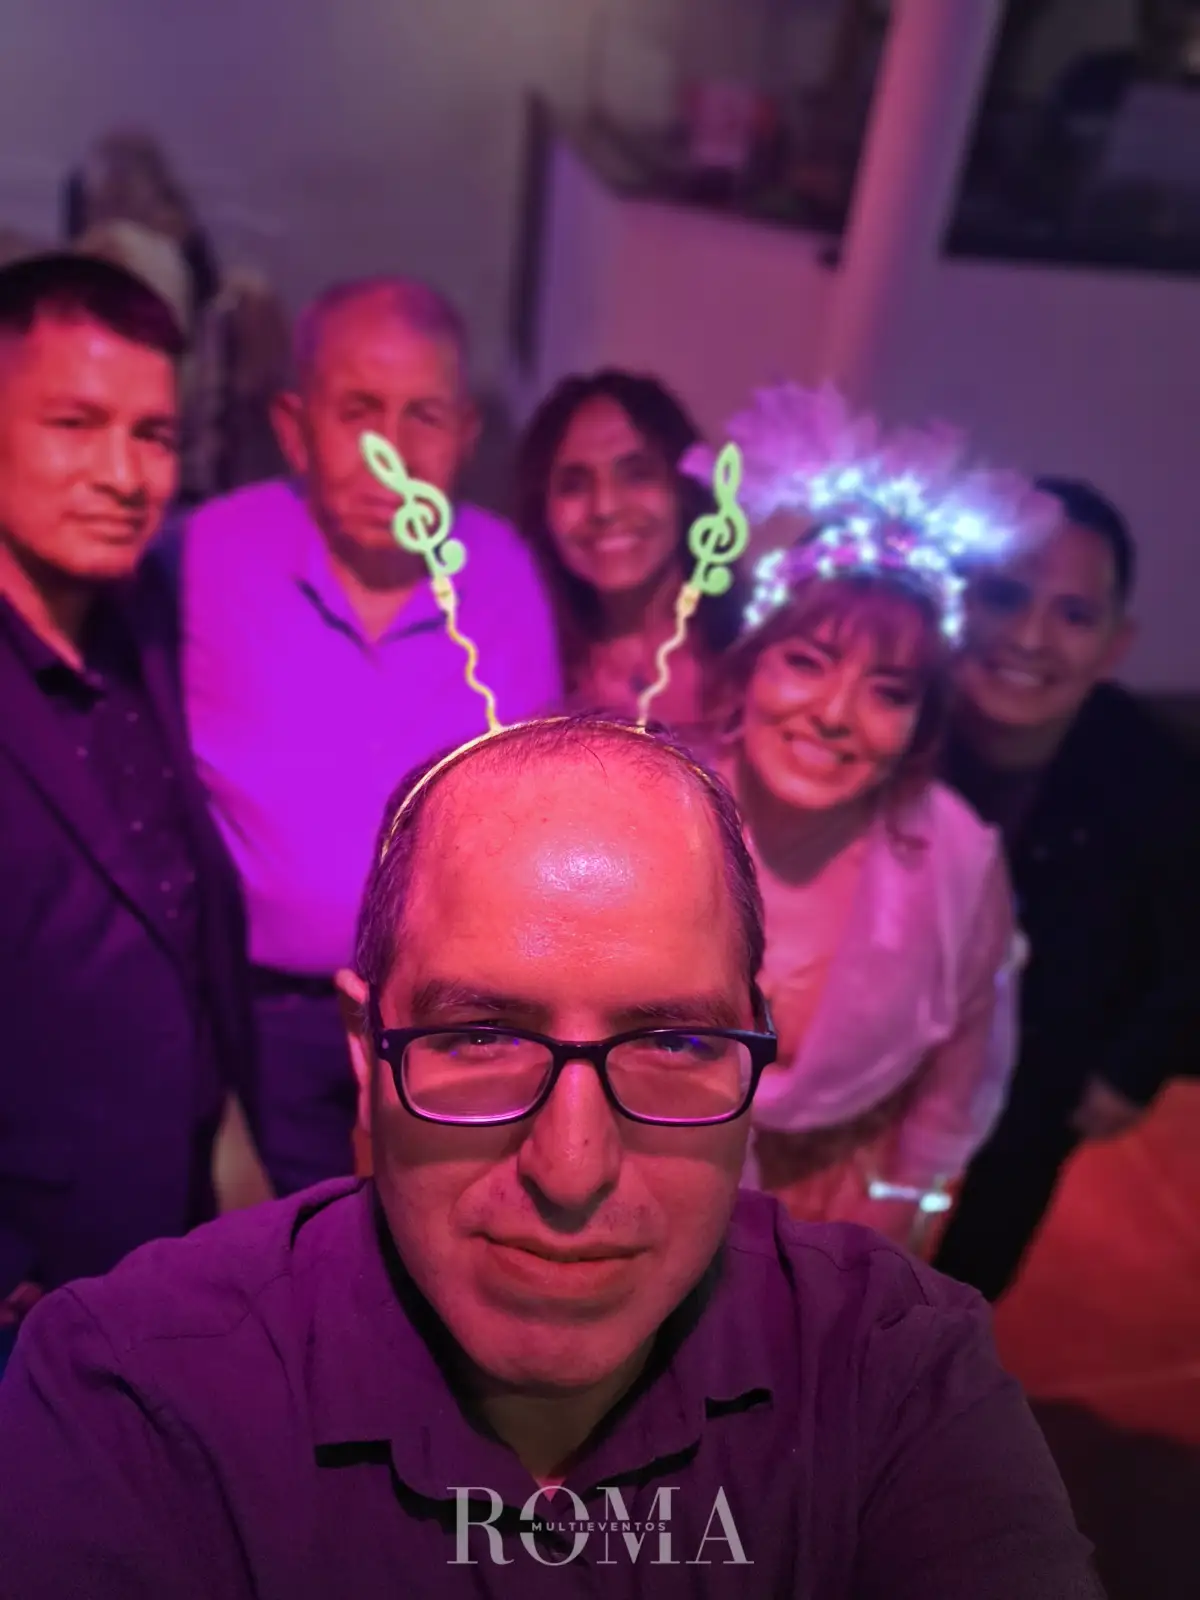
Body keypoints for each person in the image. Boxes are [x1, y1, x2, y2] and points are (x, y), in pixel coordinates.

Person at [0, 713, 1102, 1598]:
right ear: (365, 1051)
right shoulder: (137, 1394)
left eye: (675, 1042)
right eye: (479, 1036)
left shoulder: (894, 1370)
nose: (573, 1173)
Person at [180, 276, 560, 1198]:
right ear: (294, 426)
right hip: (261, 1012)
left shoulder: (507, 575)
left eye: (423, 415)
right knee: (302, 1230)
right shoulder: (203, 556)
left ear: (465, 435)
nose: (392, 452)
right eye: (358, 411)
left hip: (451, 1012)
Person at [688, 384, 1043, 1251]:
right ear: (752, 667)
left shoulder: (954, 859)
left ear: (921, 721)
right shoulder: (660, 805)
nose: (835, 715)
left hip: (841, 1219)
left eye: (888, 692)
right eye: (808, 662)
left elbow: (962, 1060)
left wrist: (902, 1210)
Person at [0, 254, 253, 1349]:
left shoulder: (140, 613)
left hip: (161, 1225)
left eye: (152, 435)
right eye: (74, 423)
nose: (123, 474)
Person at [934, 479, 1200, 1301]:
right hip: (886, 1053)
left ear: (1116, 645)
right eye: (1004, 596)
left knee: (979, 1251)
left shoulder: (1156, 776)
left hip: (1047, 1061)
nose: (1028, 637)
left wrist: (1130, 1071)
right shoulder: (894, 723)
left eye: (1073, 615)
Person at [514, 369, 744, 736]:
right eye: (574, 484)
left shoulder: (756, 658)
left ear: (684, 488)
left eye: (637, 474)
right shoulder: (521, 670)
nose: (605, 507)